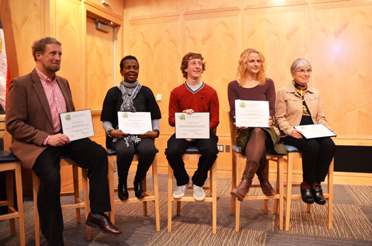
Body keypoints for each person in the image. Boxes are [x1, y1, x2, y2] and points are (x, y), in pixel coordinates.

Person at [5, 37, 122, 245]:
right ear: (38, 55)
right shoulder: (21, 84)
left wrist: (79, 126)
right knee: (51, 177)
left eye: (60, 54)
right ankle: (54, 238)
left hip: (66, 137)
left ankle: (96, 213)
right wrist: (47, 138)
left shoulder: (63, 82)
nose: (58, 57)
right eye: (53, 53)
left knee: (98, 154)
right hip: (38, 143)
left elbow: (69, 114)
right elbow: (13, 124)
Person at [275, 58, 336, 205]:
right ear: (293, 73)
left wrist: (325, 126)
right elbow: (279, 117)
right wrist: (289, 130)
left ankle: (316, 183)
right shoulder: (283, 92)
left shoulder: (315, 92)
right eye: (301, 70)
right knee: (312, 146)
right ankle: (307, 184)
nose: (306, 73)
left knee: (329, 145)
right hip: (293, 131)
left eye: (308, 70)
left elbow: (320, 116)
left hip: (313, 129)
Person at [228, 48, 286, 201]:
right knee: (256, 133)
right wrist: (238, 120)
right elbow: (233, 110)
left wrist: (270, 118)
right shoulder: (233, 85)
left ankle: (245, 182)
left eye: (258, 61)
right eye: (252, 61)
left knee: (259, 131)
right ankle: (263, 180)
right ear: (244, 63)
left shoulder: (267, 83)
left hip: (266, 130)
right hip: (245, 131)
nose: (256, 64)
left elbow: (272, 108)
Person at [101, 55, 161, 201]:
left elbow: (155, 116)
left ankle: (138, 180)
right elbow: (106, 119)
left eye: (135, 67)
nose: (132, 70)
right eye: (128, 67)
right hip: (119, 135)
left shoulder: (146, 92)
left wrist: (155, 131)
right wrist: (111, 131)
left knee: (149, 149)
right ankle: (122, 182)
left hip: (143, 135)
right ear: (122, 71)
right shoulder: (113, 92)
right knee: (125, 150)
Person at [166, 52, 219, 201]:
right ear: (185, 69)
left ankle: (198, 182)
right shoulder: (176, 92)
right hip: (183, 132)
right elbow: (171, 119)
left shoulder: (211, 92)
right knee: (171, 150)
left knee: (211, 150)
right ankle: (182, 181)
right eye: (193, 63)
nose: (197, 66)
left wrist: (199, 132)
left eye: (199, 64)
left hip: (204, 133)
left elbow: (215, 119)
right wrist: (182, 117)